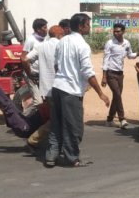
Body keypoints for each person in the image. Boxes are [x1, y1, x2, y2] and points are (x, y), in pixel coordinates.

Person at [46, 13, 110, 167]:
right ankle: (72, 157)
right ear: (81, 27)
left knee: (56, 124)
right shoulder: (82, 45)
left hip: (57, 88)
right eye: (88, 24)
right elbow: (88, 72)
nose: (90, 27)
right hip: (71, 92)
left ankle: (51, 155)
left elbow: (56, 65)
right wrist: (100, 93)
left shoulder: (62, 42)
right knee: (74, 127)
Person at [23, 25, 65, 151]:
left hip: (46, 88)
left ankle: (57, 143)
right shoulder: (61, 45)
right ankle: (34, 140)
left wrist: (30, 74)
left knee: (55, 116)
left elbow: (25, 59)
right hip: (60, 88)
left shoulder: (41, 46)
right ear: (59, 35)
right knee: (59, 117)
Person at [102, 23, 137, 129]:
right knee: (117, 94)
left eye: (118, 31)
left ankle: (109, 119)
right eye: (114, 31)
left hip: (120, 74)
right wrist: (104, 76)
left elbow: (130, 55)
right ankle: (122, 119)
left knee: (116, 97)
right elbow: (105, 59)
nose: (116, 33)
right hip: (110, 73)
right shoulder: (110, 43)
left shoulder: (126, 43)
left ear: (123, 32)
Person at [21, 18, 48, 115]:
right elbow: (23, 58)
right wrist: (30, 74)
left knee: (45, 101)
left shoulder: (45, 40)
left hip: (40, 75)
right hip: (31, 74)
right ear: (38, 29)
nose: (46, 29)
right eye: (44, 27)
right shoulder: (31, 40)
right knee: (38, 102)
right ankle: (23, 118)